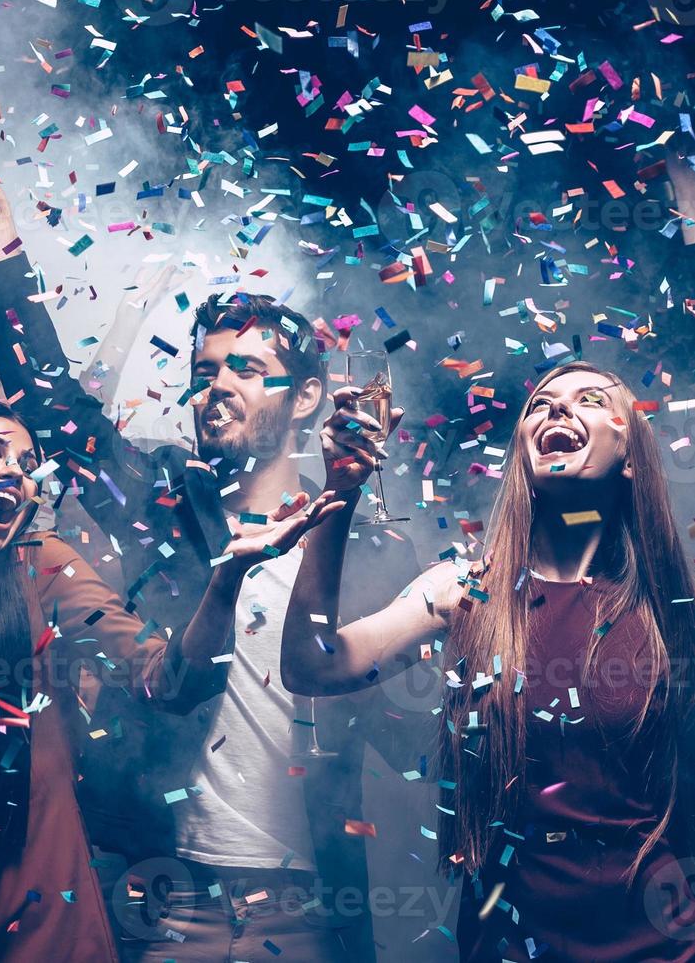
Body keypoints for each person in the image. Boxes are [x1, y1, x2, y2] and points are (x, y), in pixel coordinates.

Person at [0, 119, 424, 961]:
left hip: (306, 901)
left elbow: (411, 735)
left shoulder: (369, 549)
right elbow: (45, 396)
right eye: (206, 370)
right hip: (160, 889)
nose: (216, 386)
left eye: (246, 369)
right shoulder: (159, 503)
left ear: (304, 398)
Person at [0, 400, 341, 961]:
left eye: (27, 464)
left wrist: (224, 582)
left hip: (46, 929)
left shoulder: (42, 567)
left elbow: (166, 682)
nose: (14, 472)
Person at [281, 361, 695, 961]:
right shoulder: (464, 588)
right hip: (507, 946)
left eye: (588, 399)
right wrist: (341, 493)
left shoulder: (670, 612)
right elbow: (311, 668)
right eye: (542, 404)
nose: (556, 408)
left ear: (630, 452)